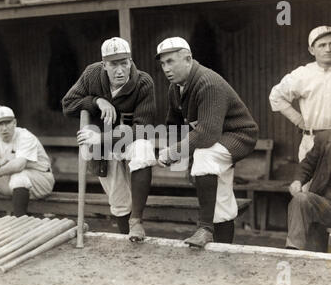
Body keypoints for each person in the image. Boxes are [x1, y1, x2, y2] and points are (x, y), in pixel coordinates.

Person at [156, 37, 258, 247]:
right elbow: (174, 124)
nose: (166, 68)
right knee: (220, 197)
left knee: (205, 155)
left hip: (239, 136)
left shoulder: (207, 82)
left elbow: (206, 135)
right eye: (163, 63)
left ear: (188, 59)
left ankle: (205, 229)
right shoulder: (175, 87)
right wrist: (182, 158)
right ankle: (222, 250)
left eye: (171, 61)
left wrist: (173, 153)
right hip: (216, 139)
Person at [62, 37, 156, 241]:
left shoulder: (143, 81)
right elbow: (68, 105)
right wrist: (97, 101)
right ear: (104, 65)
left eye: (124, 63)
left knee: (143, 151)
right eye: (114, 64)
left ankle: (136, 222)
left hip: (126, 139)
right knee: (118, 197)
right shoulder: (92, 74)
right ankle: (128, 238)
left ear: (130, 61)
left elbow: (141, 130)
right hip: (101, 145)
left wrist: (101, 138)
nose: (120, 70)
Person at [269, 26, 331, 162]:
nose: (328, 49)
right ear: (312, 50)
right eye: (322, 45)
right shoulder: (303, 74)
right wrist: (298, 120)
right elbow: (276, 96)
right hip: (312, 141)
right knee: (308, 182)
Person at [286, 130, 331, 252]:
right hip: (324, 204)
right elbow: (308, 164)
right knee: (300, 199)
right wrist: (298, 181)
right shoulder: (324, 138)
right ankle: (293, 252)